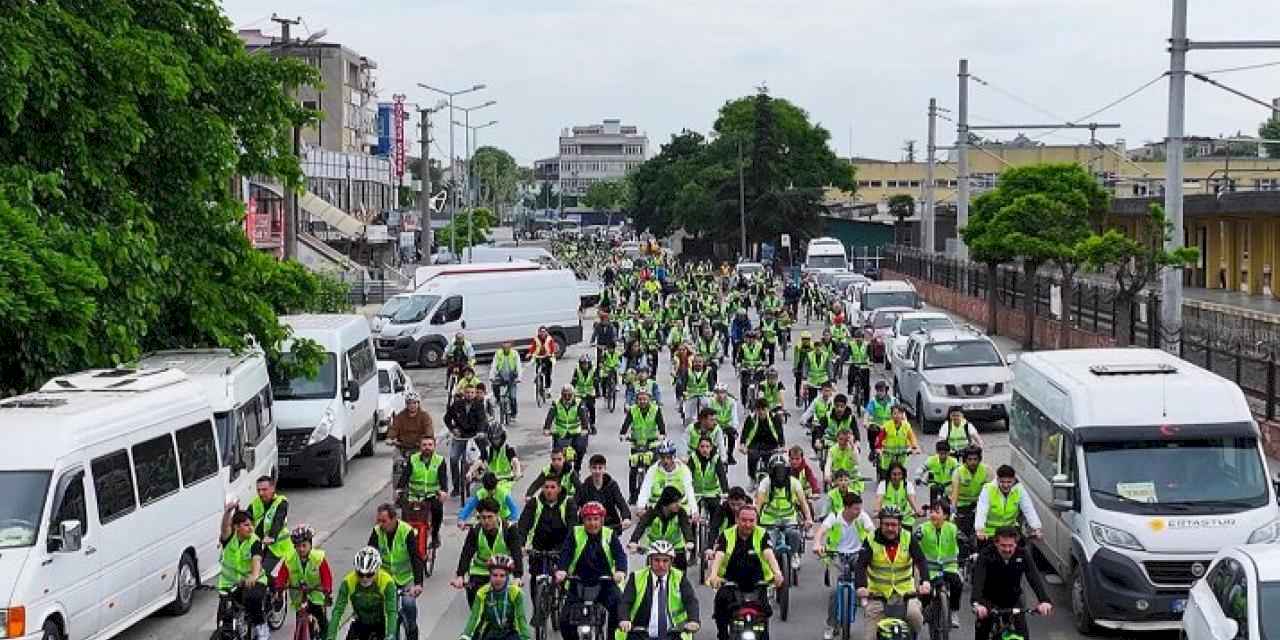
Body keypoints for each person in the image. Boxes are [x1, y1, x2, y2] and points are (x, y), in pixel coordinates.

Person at [706, 506, 784, 640]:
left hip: (757, 582)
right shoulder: (727, 534)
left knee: (764, 614)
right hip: (730, 582)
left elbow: (768, 554)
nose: (747, 524)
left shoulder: (762, 534)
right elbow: (719, 555)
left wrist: (777, 573)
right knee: (721, 604)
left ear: (756, 521)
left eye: (751, 520)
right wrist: (713, 575)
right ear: (737, 519)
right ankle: (723, 634)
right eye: (743, 520)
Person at [853, 506, 930, 640]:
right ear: (880, 524)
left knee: (915, 618)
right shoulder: (871, 539)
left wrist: (925, 582)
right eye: (886, 524)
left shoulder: (908, 537)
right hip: (878, 594)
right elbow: (861, 565)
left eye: (893, 525)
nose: (890, 528)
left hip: (905, 593)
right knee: (869, 637)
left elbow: (921, 560)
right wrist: (861, 586)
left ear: (900, 525)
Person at [556, 502, 628, 640]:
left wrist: (620, 571)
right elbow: (566, 553)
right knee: (564, 621)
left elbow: (620, 555)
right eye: (588, 519)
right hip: (578, 582)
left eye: (596, 519)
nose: (592, 523)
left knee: (618, 610)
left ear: (601, 520)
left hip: (605, 583)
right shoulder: (575, 533)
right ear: (583, 520)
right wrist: (562, 570)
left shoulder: (609, 534)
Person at [972, 527, 1053, 640]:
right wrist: (976, 603)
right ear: (996, 543)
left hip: (1012, 599)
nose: (1007, 549)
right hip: (988, 599)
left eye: (1011, 545)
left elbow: (1033, 577)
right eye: (1003, 545)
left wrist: (1044, 600)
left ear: (1016, 543)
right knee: (983, 629)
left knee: (1023, 634)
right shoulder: (986, 554)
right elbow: (978, 580)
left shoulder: (1023, 554)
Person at [813, 493, 874, 640]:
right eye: (855, 509)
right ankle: (831, 625)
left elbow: (872, 532)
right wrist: (817, 543)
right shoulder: (834, 516)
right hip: (837, 555)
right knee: (834, 591)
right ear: (846, 508)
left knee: (868, 583)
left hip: (857, 555)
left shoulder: (862, 516)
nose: (858, 512)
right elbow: (821, 531)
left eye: (859, 509)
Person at [617, 541, 702, 640]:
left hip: (673, 634)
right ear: (650, 560)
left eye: (665, 561)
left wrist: (693, 620)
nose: (661, 565)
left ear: (671, 562)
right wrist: (624, 619)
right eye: (656, 560)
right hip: (641, 633)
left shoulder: (679, 577)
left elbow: (690, 600)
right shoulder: (636, 576)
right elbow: (625, 602)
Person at [368, 504, 426, 640]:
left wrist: (418, 583)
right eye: (379, 521)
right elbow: (370, 556)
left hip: (406, 578)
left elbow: (416, 558)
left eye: (384, 521)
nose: (380, 524)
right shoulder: (377, 532)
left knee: (408, 603)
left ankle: (412, 628)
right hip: (386, 578)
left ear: (394, 519)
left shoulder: (406, 531)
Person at [453, 499, 525, 605]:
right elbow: (466, 553)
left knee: (509, 604)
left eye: (490, 517)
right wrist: (460, 575)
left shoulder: (509, 530)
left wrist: (517, 576)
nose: (486, 521)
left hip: (501, 572)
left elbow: (516, 553)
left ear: (497, 515)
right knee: (474, 600)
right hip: (480, 571)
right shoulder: (475, 531)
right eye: (483, 517)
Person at [218, 508, 269, 640]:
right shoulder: (229, 538)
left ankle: (261, 627)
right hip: (229, 583)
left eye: (252, 524)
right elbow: (224, 528)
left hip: (253, 581)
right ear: (236, 527)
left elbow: (256, 560)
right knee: (224, 617)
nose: (251, 528)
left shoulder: (254, 541)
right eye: (246, 525)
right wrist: (228, 512)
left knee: (252, 599)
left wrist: (253, 576)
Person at [275, 525, 333, 637]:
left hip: (316, 593)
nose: (301, 549)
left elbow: (326, 576)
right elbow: (282, 575)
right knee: (300, 620)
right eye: (297, 546)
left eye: (304, 545)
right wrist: (279, 587)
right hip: (299, 595)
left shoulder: (318, 557)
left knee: (322, 620)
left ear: (310, 545)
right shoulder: (290, 559)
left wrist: (327, 589)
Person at [327, 547, 398, 640]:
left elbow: (391, 612)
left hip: (382, 622)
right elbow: (338, 611)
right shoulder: (348, 581)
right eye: (360, 574)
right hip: (361, 621)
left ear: (377, 570)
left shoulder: (387, 582)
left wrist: (390, 635)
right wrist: (331, 636)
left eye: (369, 574)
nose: (364, 578)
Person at [754, 454, 814, 565]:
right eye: (776, 470)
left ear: (787, 471)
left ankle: (795, 554)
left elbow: (803, 503)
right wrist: (754, 521)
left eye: (782, 470)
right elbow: (758, 504)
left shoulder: (794, 482)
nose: (779, 474)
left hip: (789, 518)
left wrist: (808, 519)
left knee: (795, 534)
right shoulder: (765, 483)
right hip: (769, 520)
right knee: (767, 543)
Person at [397, 434, 449, 556]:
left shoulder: (440, 461)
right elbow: (405, 476)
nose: (427, 447)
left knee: (437, 510)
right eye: (424, 445)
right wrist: (399, 489)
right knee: (406, 517)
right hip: (414, 495)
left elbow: (443, 479)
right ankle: (406, 540)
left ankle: (435, 535)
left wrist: (443, 491)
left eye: (430, 445)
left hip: (432, 495)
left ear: (434, 446)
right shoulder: (413, 459)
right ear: (420, 447)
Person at [459, 555, 532, 640]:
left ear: (507, 576)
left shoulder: (515, 592)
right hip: (490, 632)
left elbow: (520, 619)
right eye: (495, 575)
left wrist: (526, 637)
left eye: (502, 575)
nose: (498, 579)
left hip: (510, 632)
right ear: (490, 575)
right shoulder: (482, 592)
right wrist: (466, 636)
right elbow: (475, 617)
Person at [917, 501, 964, 630]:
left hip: (949, 566)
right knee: (924, 589)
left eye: (937, 512)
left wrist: (967, 548)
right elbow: (915, 540)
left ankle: (954, 612)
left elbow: (962, 539)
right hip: (929, 568)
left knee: (957, 583)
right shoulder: (923, 527)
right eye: (931, 511)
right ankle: (925, 610)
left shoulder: (952, 528)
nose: (933, 515)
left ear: (946, 516)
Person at [630, 486, 696, 570]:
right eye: (675, 502)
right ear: (666, 502)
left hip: (675, 548)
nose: (679, 505)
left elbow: (686, 527)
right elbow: (641, 526)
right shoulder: (653, 511)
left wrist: (689, 541)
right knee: (649, 575)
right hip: (655, 548)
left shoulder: (681, 512)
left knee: (681, 575)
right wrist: (633, 541)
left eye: (679, 502)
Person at [975, 465, 1042, 542]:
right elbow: (981, 510)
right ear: (997, 479)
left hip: (1010, 532)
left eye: (1009, 482)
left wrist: (1036, 528)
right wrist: (980, 529)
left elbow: (1029, 509)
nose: (1005, 485)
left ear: (1013, 480)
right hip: (990, 533)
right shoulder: (988, 489)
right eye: (1002, 482)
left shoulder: (1019, 490)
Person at [447, 385, 490, 498]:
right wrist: (453, 429)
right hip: (460, 437)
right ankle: (456, 487)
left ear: (475, 394)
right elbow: (447, 418)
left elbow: (482, 420)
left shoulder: (479, 405)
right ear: (464, 393)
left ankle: (481, 476)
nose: (469, 395)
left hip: (474, 436)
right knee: (453, 458)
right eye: (467, 392)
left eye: (472, 392)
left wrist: (480, 432)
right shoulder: (456, 405)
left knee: (482, 456)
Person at [637, 440, 698, 515]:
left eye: (668, 457)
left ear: (673, 456)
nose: (665, 461)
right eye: (662, 457)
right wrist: (641, 507)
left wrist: (694, 511)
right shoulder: (653, 470)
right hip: (657, 509)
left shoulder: (684, 470)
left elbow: (689, 491)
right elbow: (645, 489)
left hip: (679, 510)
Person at [247, 475, 293, 575]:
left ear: (272, 488)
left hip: (278, 547)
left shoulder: (281, 502)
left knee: (262, 573)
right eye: (258, 490)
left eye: (264, 489)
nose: (260, 493)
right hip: (262, 546)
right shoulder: (256, 503)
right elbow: (245, 518)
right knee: (250, 571)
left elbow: (278, 520)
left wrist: (272, 536)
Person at [579, 454, 633, 530]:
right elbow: (575, 504)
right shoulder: (584, 487)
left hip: (609, 524)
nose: (597, 471)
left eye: (600, 468)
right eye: (594, 468)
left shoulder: (612, 485)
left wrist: (626, 517)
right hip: (589, 524)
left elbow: (621, 502)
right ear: (590, 469)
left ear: (604, 469)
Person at [950, 447, 991, 546]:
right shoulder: (958, 472)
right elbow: (954, 495)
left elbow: (991, 491)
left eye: (975, 459)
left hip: (979, 504)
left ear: (979, 459)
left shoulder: (986, 470)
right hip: (962, 505)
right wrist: (953, 512)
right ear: (965, 460)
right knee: (961, 533)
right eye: (970, 459)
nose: (973, 462)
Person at [544, 384, 589, 473]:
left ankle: (577, 468)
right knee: (557, 453)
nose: (567, 397)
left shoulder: (579, 403)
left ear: (573, 395)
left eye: (569, 395)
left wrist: (585, 428)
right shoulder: (556, 403)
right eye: (565, 395)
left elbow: (583, 416)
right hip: (561, 433)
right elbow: (550, 416)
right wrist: (547, 428)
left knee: (580, 448)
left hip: (576, 432)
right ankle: (558, 471)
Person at [739, 399, 783, 482]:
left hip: (771, 443)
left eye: (764, 409)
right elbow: (745, 432)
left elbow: (780, 433)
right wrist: (742, 445)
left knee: (771, 462)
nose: (761, 412)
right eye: (758, 409)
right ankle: (752, 478)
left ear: (768, 409)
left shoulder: (775, 417)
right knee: (752, 457)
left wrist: (782, 446)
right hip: (755, 443)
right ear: (755, 410)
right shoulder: (751, 418)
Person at [874, 405, 919, 482]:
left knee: (902, 473)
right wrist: (878, 449)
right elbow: (880, 438)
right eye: (895, 413)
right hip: (888, 454)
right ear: (891, 415)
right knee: (886, 474)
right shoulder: (887, 426)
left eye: (899, 413)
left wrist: (914, 447)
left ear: (903, 415)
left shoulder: (906, 426)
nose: (897, 416)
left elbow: (912, 437)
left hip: (902, 454)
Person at [689, 436, 730, 520]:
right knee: (691, 515)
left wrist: (726, 491)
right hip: (696, 493)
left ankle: (712, 531)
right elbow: (688, 475)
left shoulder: (716, 458)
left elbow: (722, 475)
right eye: (702, 446)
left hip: (712, 492)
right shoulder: (693, 457)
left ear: (711, 448)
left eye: (707, 447)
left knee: (716, 514)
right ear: (698, 447)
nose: (705, 449)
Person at [388, 391, 434, 460]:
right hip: (402, 447)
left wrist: (426, 439)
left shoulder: (425, 416)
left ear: (418, 403)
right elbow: (394, 428)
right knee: (397, 462)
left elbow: (429, 429)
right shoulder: (400, 416)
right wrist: (390, 438)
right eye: (409, 403)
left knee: (427, 461)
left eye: (414, 403)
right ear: (406, 404)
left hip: (419, 447)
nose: (412, 405)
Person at [876, 463, 921, 529]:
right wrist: (877, 511)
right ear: (890, 475)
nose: (897, 477)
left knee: (908, 538)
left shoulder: (907, 485)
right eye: (894, 474)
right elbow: (879, 500)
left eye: (899, 474)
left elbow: (912, 499)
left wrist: (917, 510)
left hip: (905, 519)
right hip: (889, 519)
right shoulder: (883, 484)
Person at [915, 441, 959, 506]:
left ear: (949, 452)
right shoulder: (931, 460)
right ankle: (932, 509)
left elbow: (960, 471)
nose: (943, 456)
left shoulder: (953, 461)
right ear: (937, 452)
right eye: (941, 454)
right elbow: (922, 468)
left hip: (948, 487)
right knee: (933, 500)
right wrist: (917, 477)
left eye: (946, 453)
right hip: (935, 485)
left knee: (950, 504)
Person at [707, 384, 741, 464]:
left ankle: (730, 455)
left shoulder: (732, 402)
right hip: (715, 425)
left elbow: (734, 416)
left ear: (726, 393)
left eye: (722, 392)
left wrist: (734, 427)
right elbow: (708, 416)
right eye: (718, 392)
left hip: (727, 425)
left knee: (732, 435)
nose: (720, 395)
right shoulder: (711, 402)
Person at [488, 341, 523, 419]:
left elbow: (518, 366)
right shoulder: (498, 353)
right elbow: (494, 365)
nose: (506, 349)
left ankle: (513, 413)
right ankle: (498, 399)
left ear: (510, 347)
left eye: (507, 347)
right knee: (494, 385)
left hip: (512, 376)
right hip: (501, 375)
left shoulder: (515, 353)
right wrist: (491, 376)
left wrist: (519, 378)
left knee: (512, 397)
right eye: (504, 347)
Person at [824, 421, 862, 488]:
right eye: (840, 439)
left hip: (851, 479)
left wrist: (853, 446)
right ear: (837, 438)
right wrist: (827, 474)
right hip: (837, 478)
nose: (842, 442)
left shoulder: (853, 448)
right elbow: (828, 464)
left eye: (846, 440)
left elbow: (857, 462)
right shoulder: (832, 449)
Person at [572, 355, 600, 434]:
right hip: (579, 393)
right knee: (577, 409)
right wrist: (571, 391)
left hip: (590, 393)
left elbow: (596, 382)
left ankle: (592, 425)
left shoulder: (593, 370)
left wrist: (597, 392)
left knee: (592, 408)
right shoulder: (577, 370)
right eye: (583, 364)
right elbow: (573, 381)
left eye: (586, 364)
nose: (585, 366)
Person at [528, 326, 558, 394]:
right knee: (538, 370)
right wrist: (529, 353)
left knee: (547, 373)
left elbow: (553, 348)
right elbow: (533, 347)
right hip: (538, 356)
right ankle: (539, 382)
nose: (542, 334)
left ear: (546, 332)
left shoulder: (549, 339)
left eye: (544, 332)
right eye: (541, 332)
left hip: (547, 357)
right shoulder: (536, 339)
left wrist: (552, 354)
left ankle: (548, 389)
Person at [846, 329, 871, 405]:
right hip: (854, 365)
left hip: (864, 366)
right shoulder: (851, 344)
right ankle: (850, 389)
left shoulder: (867, 344)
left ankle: (866, 401)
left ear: (863, 338)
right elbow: (849, 354)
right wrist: (849, 360)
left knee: (866, 384)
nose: (858, 339)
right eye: (856, 337)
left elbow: (870, 355)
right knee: (851, 376)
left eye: (860, 337)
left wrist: (870, 362)